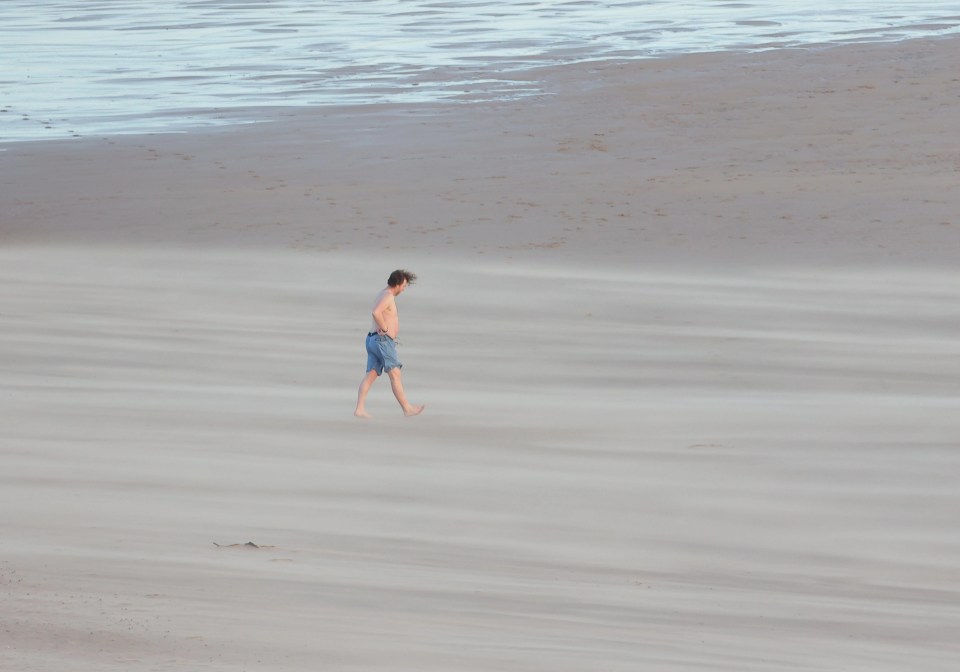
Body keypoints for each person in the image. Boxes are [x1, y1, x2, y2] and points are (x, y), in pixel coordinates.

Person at [354, 269, 425, 418]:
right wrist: (385, 328)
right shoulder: (388, 296)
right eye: (404, 286)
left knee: (371, 375)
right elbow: (376, 312)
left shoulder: (383, 293)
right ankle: (407, 408)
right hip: (382, 341)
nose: (404, 289)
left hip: (373, 340)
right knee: (395, 374)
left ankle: (359, 409)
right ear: (397, 284)